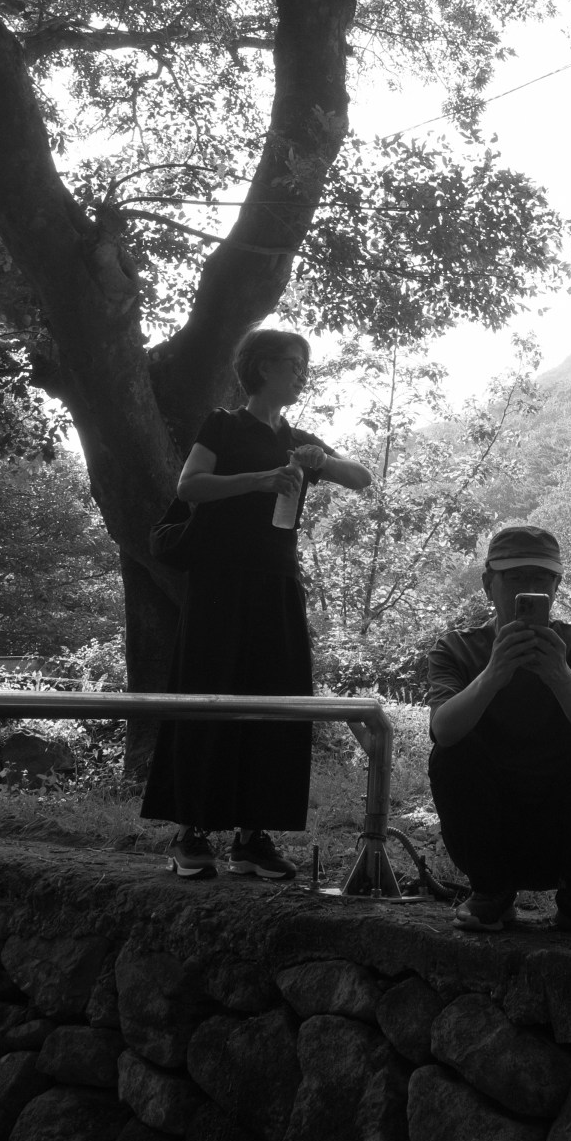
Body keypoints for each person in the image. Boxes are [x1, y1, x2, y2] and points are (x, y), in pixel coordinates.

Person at [141, 326, 371, 880]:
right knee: (207, 694)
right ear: (264, 366)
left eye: (303, 364)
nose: (301, 372)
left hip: (275, 582)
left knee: (277, 699)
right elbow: (190, 485)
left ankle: (252, 837)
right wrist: (259, 479)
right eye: (294, 362)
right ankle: (190, 832)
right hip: (220, 583)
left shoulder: (298, 438)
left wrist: (322, 461)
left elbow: (360, 478)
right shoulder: (224, 424)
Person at [427, 526, 571, 935]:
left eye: (541, 578)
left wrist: (559, 674)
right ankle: (491, 892)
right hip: (491, 818)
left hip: (563, 819)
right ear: (489, 584)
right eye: (516, 577)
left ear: (556, 585)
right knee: (451, 754)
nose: (530, 586)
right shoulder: (456, 648)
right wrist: (494, 673)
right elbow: (443, 732)